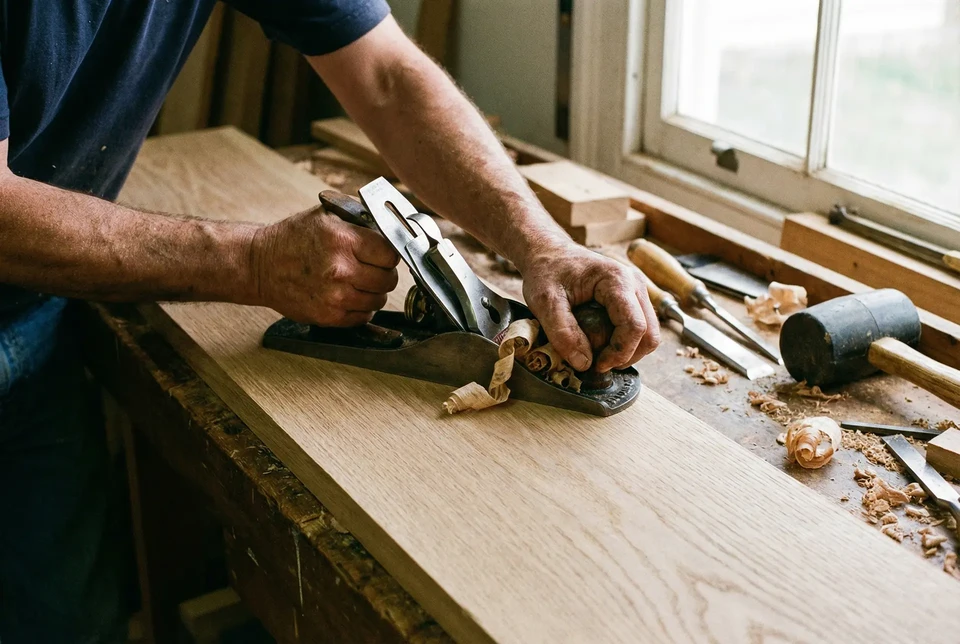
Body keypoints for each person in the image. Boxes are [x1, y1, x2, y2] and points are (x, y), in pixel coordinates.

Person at [0, 1, 661, 640]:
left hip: (36, 306)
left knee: (66, 615)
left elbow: (386, 77)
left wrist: (543, 246)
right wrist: (256, 264)